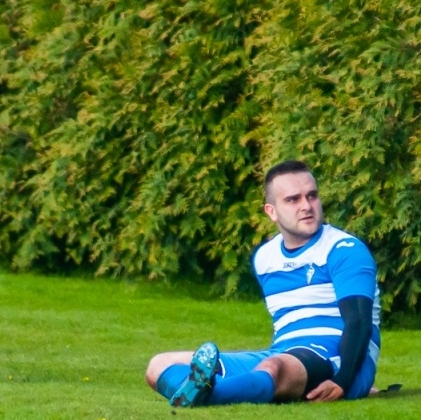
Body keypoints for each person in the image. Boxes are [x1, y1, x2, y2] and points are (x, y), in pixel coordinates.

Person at [146, 161, 380, 406]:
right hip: (286, 353)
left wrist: (344, 381)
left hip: (336, 357)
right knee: (159, 365)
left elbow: (359, 322)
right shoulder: (266, 258)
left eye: (312, 196)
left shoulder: (345, 250)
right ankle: (201, 390)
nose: (306, 206)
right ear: (271, 211)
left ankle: (208, 394)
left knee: (274, 367)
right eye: (293, 200)